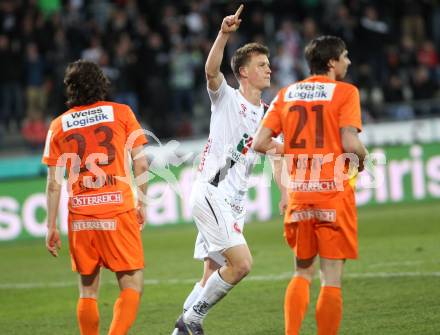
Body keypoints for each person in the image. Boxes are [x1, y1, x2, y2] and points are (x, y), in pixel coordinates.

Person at [252, 35, 368, 335]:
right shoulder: (345, 92)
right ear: (331, 62)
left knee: (302, 272)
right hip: (333, 194)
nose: (348, 61)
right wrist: (363, 158)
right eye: (345, 56)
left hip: (300, 196)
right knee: (330, 279)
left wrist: (293, 151)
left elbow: (260, 142)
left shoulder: (286, 94)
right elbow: (349, 142)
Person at [171, 4, 271, 335]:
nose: (268, 69)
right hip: (212, 193)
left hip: (233, 204)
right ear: (243, 72)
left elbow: (274, 147)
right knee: (241, 264)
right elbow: (211, 72)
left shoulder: (269, 113)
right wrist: (223, 34)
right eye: (261, 64)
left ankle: (179, 332)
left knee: (210, 272)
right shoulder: (227, 98)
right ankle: (192, 320)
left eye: (268, 63)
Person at [42, 60, 149, 335]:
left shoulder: (57, 126)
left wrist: (51, 225)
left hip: (81, 216)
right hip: (117, 209)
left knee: (87, 289)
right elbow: (141, 163)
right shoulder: (122, 113)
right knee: (132, 285)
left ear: (71, 89)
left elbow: (54, 183)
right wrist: (143, 202)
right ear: (102, 83)